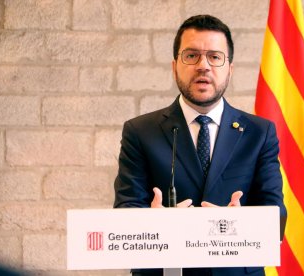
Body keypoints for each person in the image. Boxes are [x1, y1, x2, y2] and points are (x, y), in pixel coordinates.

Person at [114, 14, 287, 276]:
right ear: (174, 67)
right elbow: (126, 213)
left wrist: (239, 225)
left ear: (230, 69)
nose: (203, 66)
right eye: (191, 56)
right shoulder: (140, 132)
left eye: (215, 57)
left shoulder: (259, 133)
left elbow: (276, 216)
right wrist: (153, 224)